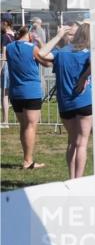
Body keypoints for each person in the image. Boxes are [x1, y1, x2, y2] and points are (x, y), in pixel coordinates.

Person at [46, 23, 95, 179]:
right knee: (78, 142)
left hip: (85, 100)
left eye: (74, 33)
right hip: (84, 101)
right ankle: (78, 179)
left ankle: (93, 175)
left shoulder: (86, 50)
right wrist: (83, 78)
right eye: (69, 34)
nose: (72, 36)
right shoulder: (76, 52)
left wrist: (91, 39)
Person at [4, 25, 52, 169]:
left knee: (24, 126)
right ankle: (28, 161)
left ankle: (26, 158)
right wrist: (41, 43)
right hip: (31, 91)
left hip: (15, 91)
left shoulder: (9, 47)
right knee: (30, 126)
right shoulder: (33, 48)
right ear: (30, 35)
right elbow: (47, 63)